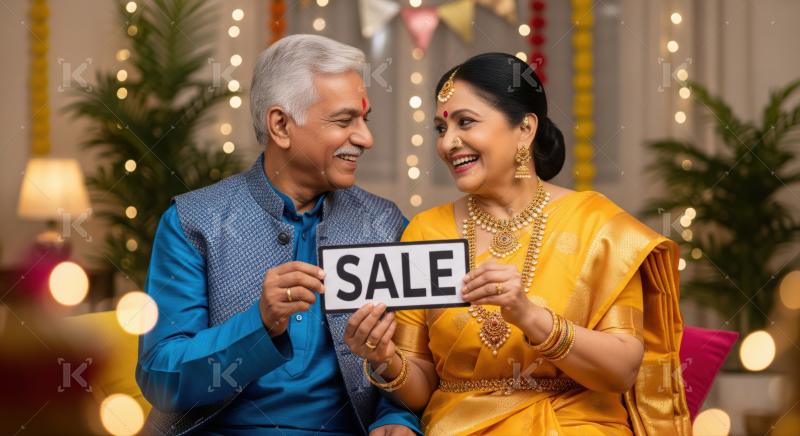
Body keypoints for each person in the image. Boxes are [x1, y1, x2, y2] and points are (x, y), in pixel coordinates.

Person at [344, 53, 691, 435]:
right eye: (441, 129)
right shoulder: (428, 230)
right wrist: (386, 359)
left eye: (466, 122)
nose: (448, 143)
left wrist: (529, 315)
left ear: (525, 128)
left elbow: (621, 370)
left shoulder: (598, 225)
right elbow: (420, 389)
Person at [136, 34, 420, 435]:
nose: (365, 138)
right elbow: (161, 378)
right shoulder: (193, 221)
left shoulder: (386, 224)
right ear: (281, 125)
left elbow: (414, 362)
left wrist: (397, 419)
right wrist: (261, 324)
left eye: (365, 119)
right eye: (344, 121)